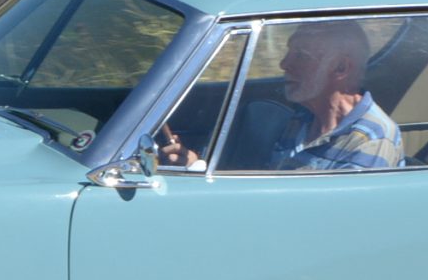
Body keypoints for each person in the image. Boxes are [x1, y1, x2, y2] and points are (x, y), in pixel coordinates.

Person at [158, 18, 402, 173]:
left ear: (340, 68)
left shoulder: (372, 141)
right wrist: (196, 166)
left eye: (302, 56)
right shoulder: (302, 120)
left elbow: (336, 225)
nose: (284, 64)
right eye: (289, 52)